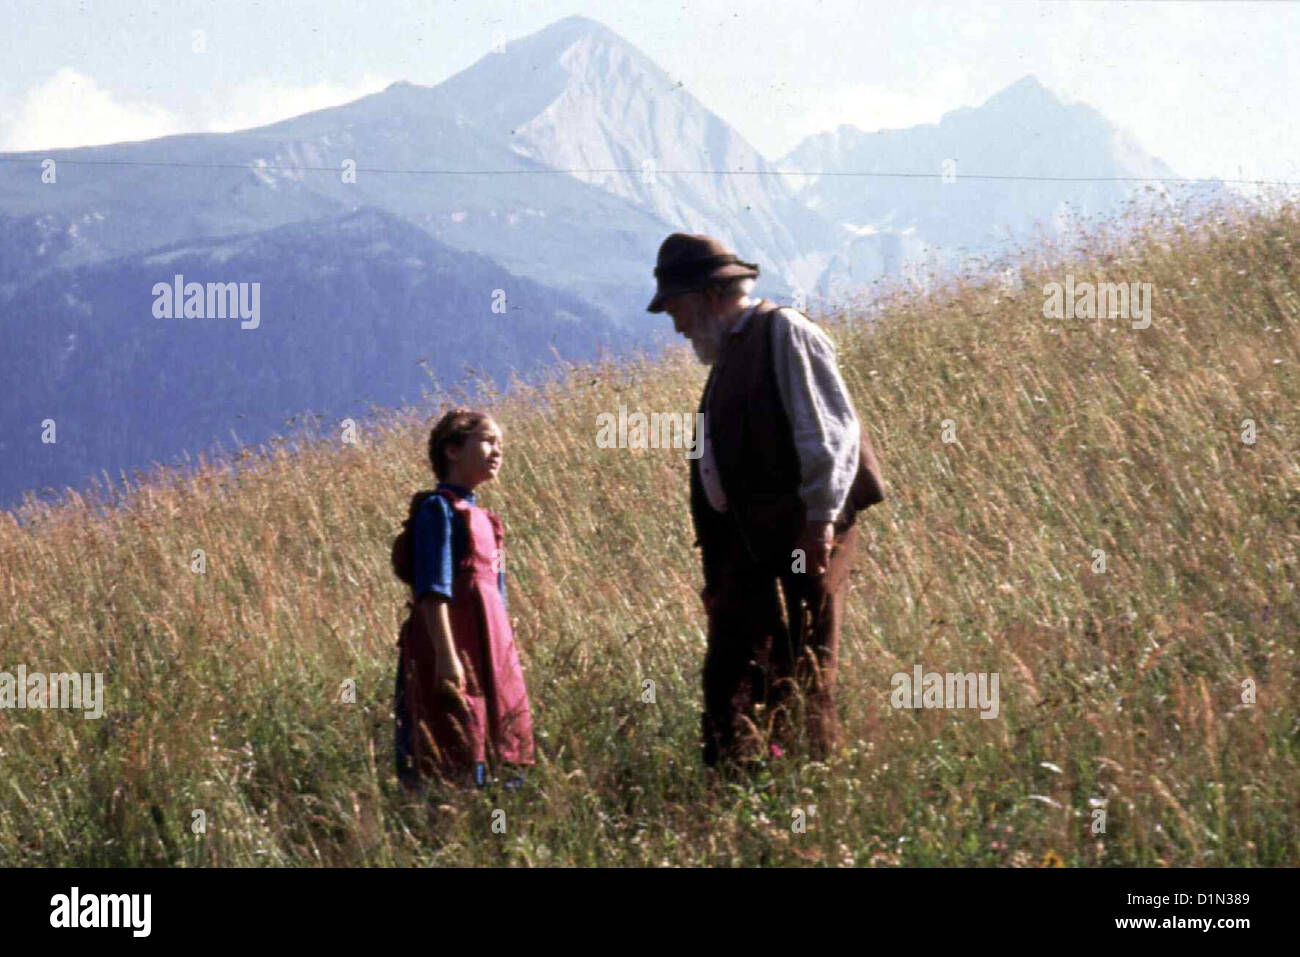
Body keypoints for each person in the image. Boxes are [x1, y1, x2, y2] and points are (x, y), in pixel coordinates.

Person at [646, 233, 884, 770]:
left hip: (802, 535)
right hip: (750, 544)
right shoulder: (730, 353)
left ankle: (811, 777)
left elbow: (828, 433)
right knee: (738, 664)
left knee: (806, 663)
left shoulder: (785, 332)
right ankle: (744, 780)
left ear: (710, 295)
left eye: (676, 307)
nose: (675, 324)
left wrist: (820, 524)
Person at [394, 408, 535, 790]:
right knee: (453, 741)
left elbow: (497, 597)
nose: (497, 451)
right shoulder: (437, 511)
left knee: (500, 738)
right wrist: (446, 657)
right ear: (452, 450)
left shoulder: (489, 522)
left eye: (500, 445)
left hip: (490, 650)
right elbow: (432, 591)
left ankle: (496, 826)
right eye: (488, 441)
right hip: (452, 649)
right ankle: (446, 827)